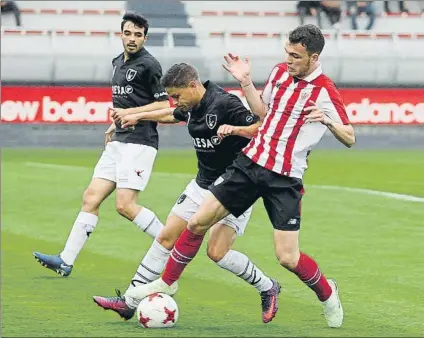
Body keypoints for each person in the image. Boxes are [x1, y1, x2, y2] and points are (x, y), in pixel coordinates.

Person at [125, 24, 355, 328]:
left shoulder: (324, 89)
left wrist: (327, 120)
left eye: (296, 56)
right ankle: (167, 283)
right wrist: (246, 81)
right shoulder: (278, 73)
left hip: (284, 178)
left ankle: (327, 293)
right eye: (287, 53)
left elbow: (350, 137)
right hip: (250, 164)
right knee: (196, 222)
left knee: (288, 257)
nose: (289, 60)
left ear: (314, 58)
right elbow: (263, 113)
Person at [92, 63, 281, 324]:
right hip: (202, 184)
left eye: (177, 95)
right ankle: (129, 300)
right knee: (166, 236)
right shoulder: (190, 106)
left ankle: (267, 286)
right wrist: (138, 117)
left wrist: (235, 130)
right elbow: (173, 113)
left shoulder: (225, 103)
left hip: (235, 186)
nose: (175, 100)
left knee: (217, 252)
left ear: (193, 86)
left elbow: (260, 127)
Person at [33, 12, 170, 276]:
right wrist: (116, 123)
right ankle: (66, 260)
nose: (132, 39)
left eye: (138, 35)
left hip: (140, 143)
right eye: (128, 33)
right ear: (121, 34)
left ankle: (170, 242)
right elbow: (125, 103)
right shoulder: (118, 62)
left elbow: (164, 106)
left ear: (145, 38)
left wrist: (130, 115)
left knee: (125, 206)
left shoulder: (150, 65)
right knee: (91, 197)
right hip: (120, 140)